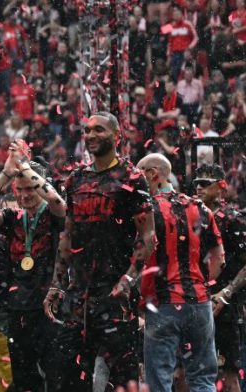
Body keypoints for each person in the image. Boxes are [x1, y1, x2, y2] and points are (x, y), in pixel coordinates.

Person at [43, 112, 156, 391]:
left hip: (114, 294)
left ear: (117, 136)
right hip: (79, 294)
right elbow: (67, 236)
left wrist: (129, 279)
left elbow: (148, 237)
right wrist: (57, 285)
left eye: (99, 130)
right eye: (88, 130)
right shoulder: (75, 180)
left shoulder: (131, 178)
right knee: (68, 374)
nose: (91, 135)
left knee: (123, 376)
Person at [0, 144, 66, 392]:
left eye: (30, 189)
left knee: (57, 376)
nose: (24, 195)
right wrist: (6, 173)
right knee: (24, 379)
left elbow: (58, 201)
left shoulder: (54, 216)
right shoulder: (13, 219)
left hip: (52, 307)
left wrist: (25, 168)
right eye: (20, 190)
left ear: (41, 186)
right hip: (19, 308)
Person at [136, 153, 225, 392]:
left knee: (159, 381)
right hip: (200, 302)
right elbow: (219, 257)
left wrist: (141, 301)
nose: (134, 180)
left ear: (152, 174)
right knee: (203, 379)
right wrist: (205, 288)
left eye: (138, 173)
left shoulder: (148, 210)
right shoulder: (201, 208)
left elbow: (143, 259)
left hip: (163, 303)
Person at [194, 163, 246, 392]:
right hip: (193, 302)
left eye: (205, 184)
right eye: (196, 184)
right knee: (186, 372)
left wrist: (227, 293)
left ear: (221, 188)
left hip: (226, 306)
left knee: (229, 375)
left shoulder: (234, 220)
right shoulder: (189, 218)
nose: (199, 188)